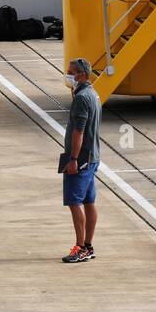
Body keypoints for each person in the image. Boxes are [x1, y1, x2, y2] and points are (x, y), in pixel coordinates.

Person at [60, 57, 101, 264]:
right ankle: (89, 245)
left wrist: (73, 159)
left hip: (81, 158)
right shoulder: (93, 94)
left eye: (71, 72)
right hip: (93, 157)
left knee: (75, 202)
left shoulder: (82, 98)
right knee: (89, 201)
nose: (68, 75)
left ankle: (81, 247)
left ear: (82, 75)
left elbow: (79, 132)